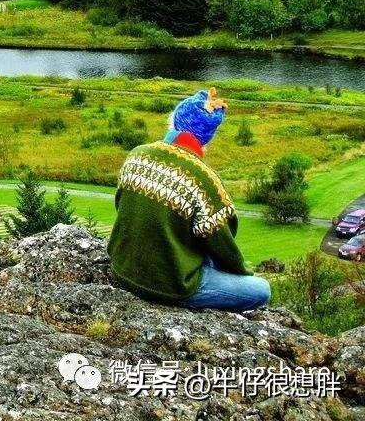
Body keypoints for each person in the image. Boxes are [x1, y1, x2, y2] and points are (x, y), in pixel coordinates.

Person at [107, 88, 270, 311]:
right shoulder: (204, 179)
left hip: (122, 269)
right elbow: (225, 249)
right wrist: (242, 274)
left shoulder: (137, 154)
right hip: (170, 285)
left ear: (173, 122)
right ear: (208, 136)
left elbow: (122, 207)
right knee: (261, 289)